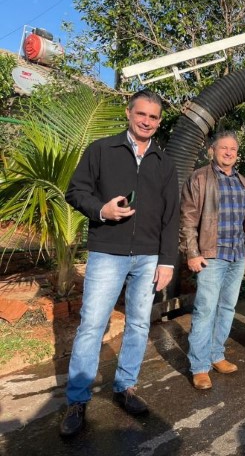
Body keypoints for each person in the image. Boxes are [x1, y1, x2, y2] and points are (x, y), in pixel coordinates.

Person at [60, 89, 180, 436]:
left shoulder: (164, 161)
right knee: (92, 326)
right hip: (107, 252)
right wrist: (102, 210)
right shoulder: (102, 150)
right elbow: (75, 191)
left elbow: (171, 217)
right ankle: (78, 401)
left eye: (154, 117)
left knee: (140, 325)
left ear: (159, 122)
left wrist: (167, 262)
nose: (147, 121)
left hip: (148, 257)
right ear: (129, 113)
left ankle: (125, 387)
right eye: (141, 114)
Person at [179, 130, 245, 390]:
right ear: (212, 150)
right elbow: (188, 220)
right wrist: (192, 253)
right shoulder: (200, 178)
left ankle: (216, 355)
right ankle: (199, 366)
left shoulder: (242, 181)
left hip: (236, 256)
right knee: (205, 311)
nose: (228, 152)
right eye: (223, 148)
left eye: (233, 149)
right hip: (211, 256)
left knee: (227, 309)